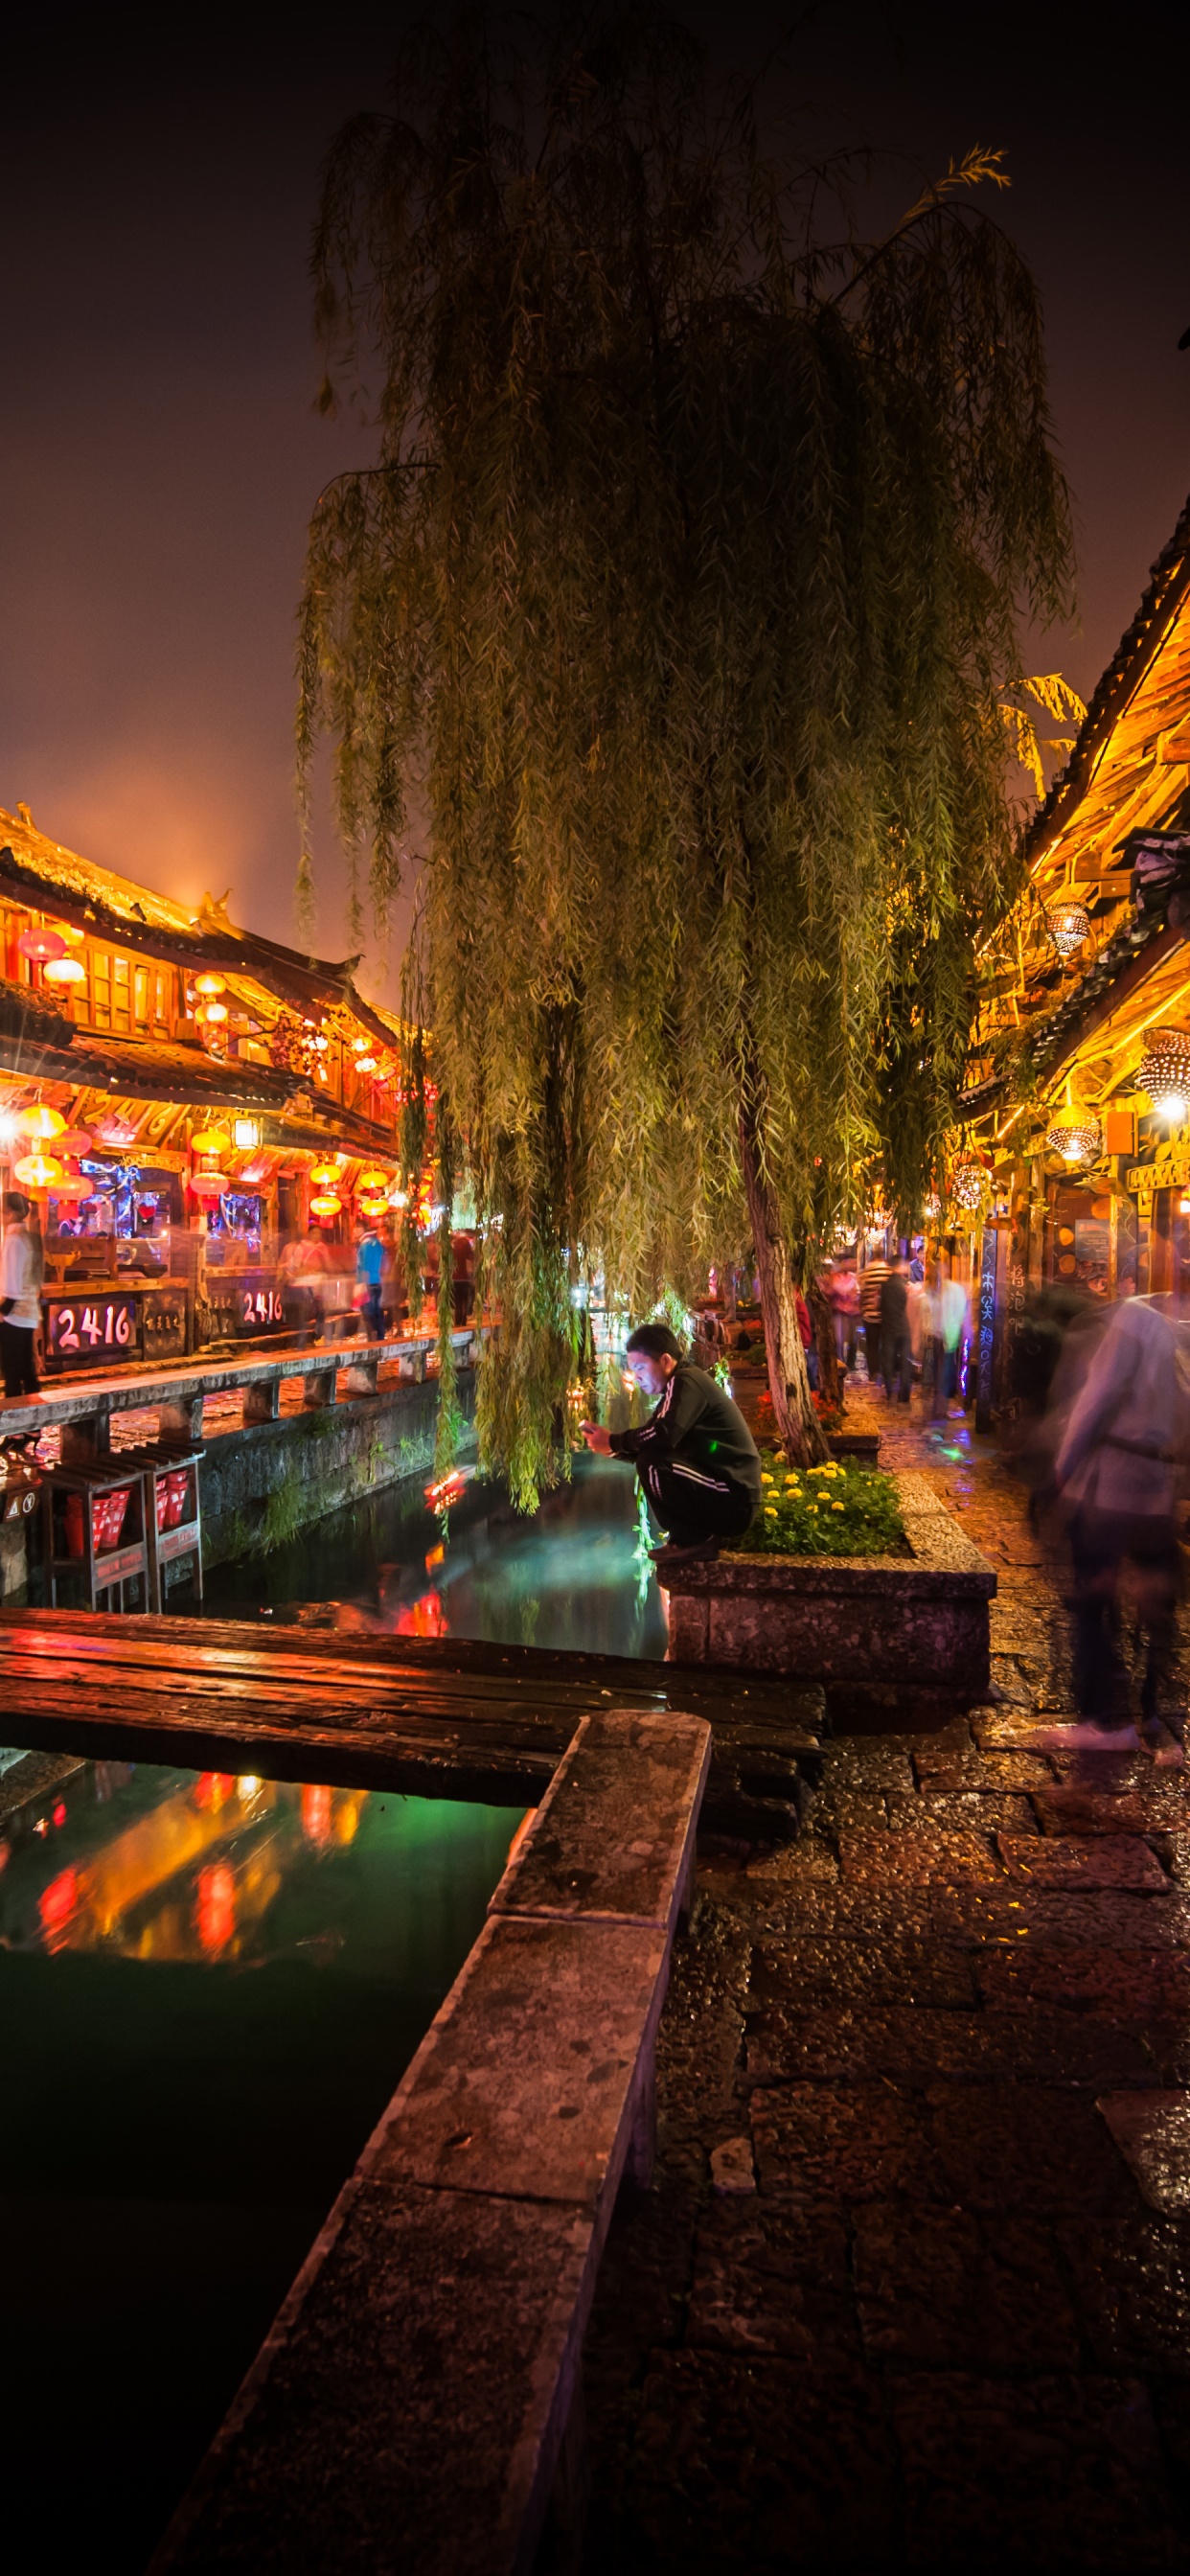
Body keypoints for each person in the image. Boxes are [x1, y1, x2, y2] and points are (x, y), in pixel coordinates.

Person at [1053, 1294, 1190, 1736]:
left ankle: (1099, 1715)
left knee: (1093, 1590)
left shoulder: (1134, 1317)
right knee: (1156, 1593)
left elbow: (1099, 1392)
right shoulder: (1179, 1332)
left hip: (1113, 1479)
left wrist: (1065, 1464)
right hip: (1160, 1485)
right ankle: (1152, 1707)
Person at [582, 1322, 762, 1562]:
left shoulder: (687, 1381)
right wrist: (611, 1449)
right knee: (650, 1459)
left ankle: (692, 1540)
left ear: (665, 1361)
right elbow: (656, 1440)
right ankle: (689, 1538)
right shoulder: (678, 1388)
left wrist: (614, 1440)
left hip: (734, 1500)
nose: (637, 1378)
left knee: (653, 1462)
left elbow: (662, 1435)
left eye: (641, 1368)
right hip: (724, 1497)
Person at [0, 1192, 43, 1397]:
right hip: (28, 1314)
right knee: (27, 1371)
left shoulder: (14, 1239)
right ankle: (33, 1427)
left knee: (13, 1373)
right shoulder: (29, 1237)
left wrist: (3, 1310)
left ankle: (17, 1425)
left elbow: (11, 1286)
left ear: (8, 1212)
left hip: (14, 1315)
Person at [878, 1255, 912, 1404]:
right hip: (904, 1327)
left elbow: (880, 1306)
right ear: (900, 1266)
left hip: (888, 1328)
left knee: (888, 1360)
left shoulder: (884, 1285)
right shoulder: (906, 1285)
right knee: (906, 1362)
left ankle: (890, 1390)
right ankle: (904, 1395)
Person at [859, 1253, 888, 1384]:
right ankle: (885, 1370)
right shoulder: (888, 1272)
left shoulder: (866, 1273)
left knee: (872, 1346)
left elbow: (862, 1293)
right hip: (884, 1316)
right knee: (885, 1345)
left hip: (869, 1315)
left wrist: (863, 1309)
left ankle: (874, 1372)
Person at [356, 1224, 385, 1341]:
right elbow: (384, 1263)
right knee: (377, 1309)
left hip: (367, 1283)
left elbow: (363, 1265)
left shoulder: (364, 1245)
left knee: (367, 1313)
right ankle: (380, 1335)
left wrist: (362, 1284)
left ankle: (372, 1337)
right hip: (377, 1282)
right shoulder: (378, 1244)